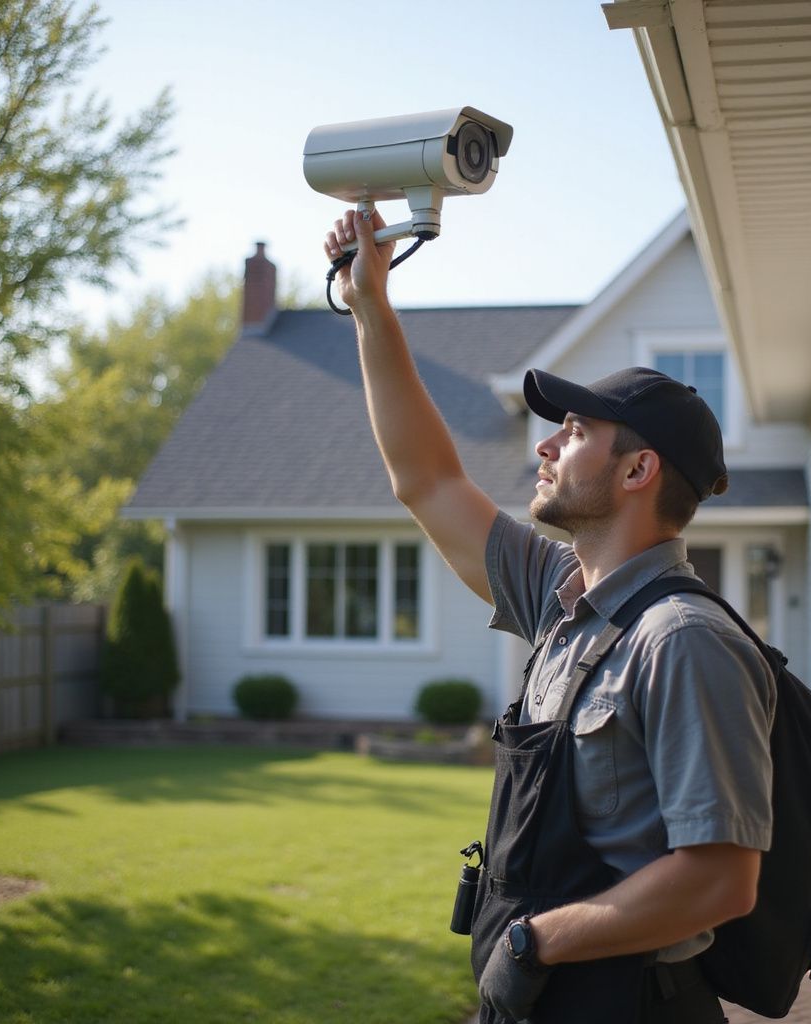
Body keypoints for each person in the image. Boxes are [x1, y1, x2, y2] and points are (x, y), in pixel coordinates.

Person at [324, 209, 776, 1024]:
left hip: (631, 1006)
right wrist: (371, 308)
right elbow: (425, 480)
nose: (545, 446)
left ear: (639, 468)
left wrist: (537, 941)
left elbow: (720, 880)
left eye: (572, 431)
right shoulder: (559, 599)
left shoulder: (682, 642)